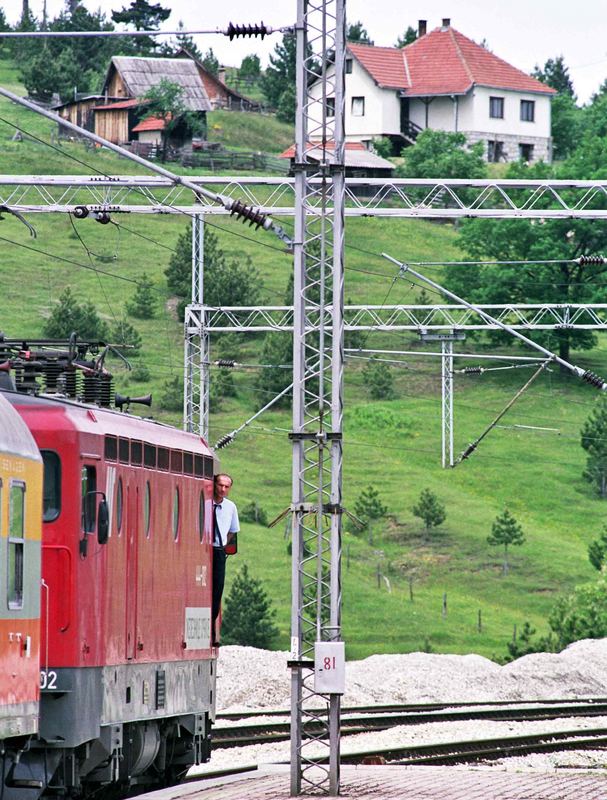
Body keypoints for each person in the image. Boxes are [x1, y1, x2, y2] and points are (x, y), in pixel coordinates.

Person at [211, 473, 239, 647]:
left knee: (218, 588)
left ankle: (212, 627)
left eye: (226, 486)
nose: (223, 489)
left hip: (218, 550)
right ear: (214, 484)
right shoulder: (206, 503)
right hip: (204, 546)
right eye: (220, 485)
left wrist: (222, 543)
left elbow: (233, 530)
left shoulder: (230, 507)